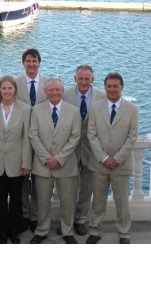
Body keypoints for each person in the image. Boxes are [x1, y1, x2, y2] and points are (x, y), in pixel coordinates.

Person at [86, 72, 139, 244]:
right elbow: (91, 135)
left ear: (121, 87)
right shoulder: (95, 107)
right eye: (108, 86)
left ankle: (124, 233)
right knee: (98, 201)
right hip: (99, 164)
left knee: (122, 202)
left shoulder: (132, 110)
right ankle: (95, 230)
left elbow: (132, 138)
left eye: (115, 86)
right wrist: (103, 158)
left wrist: (116, 158)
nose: (112, 89)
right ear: (105, 87)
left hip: (120, 165)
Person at [29, 78, 81, 244]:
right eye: (51, 90)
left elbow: (75, 137)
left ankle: (67, 231)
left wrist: (59, 158)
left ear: (63, 91)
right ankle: (42, 230)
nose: (54, 93)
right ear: (46, 92)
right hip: (43, 165)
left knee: (68, 201)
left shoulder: (73, 111)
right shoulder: (36, 110)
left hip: (66, 165)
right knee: (42, 201)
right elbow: (33, 136)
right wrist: (47, 158)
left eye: (58, 90)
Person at [61, 65, 106, 236]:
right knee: (68, 190)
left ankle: (80, 220)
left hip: (91, 150)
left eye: (87, 79)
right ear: (75, 79)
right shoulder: (65, 96)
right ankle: (67, 222)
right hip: (69, 150)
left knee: (87, 189)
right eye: (80, 78)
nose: (83, 82)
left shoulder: (102, 96)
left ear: (93, 79)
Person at [0, 75, 32, 244]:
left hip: (17, 163)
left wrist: (26, 164)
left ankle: (15, 230)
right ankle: (2, 230)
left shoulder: (25, 109)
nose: (7, 91)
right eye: (4, 88)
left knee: (16, 199)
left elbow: (27, 139)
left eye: (10, 88)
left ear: (15, 89)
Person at [16, 48, 49, 232]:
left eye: (34, 61)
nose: (31, 64)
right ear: (23, 63)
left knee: (39, 181)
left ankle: (36, 215)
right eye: (28, 61)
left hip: (42, 139)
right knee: (22, 181)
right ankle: (24, 214)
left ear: (39, 63)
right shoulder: (15, 83)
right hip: (20, 139)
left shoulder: (47, 83)